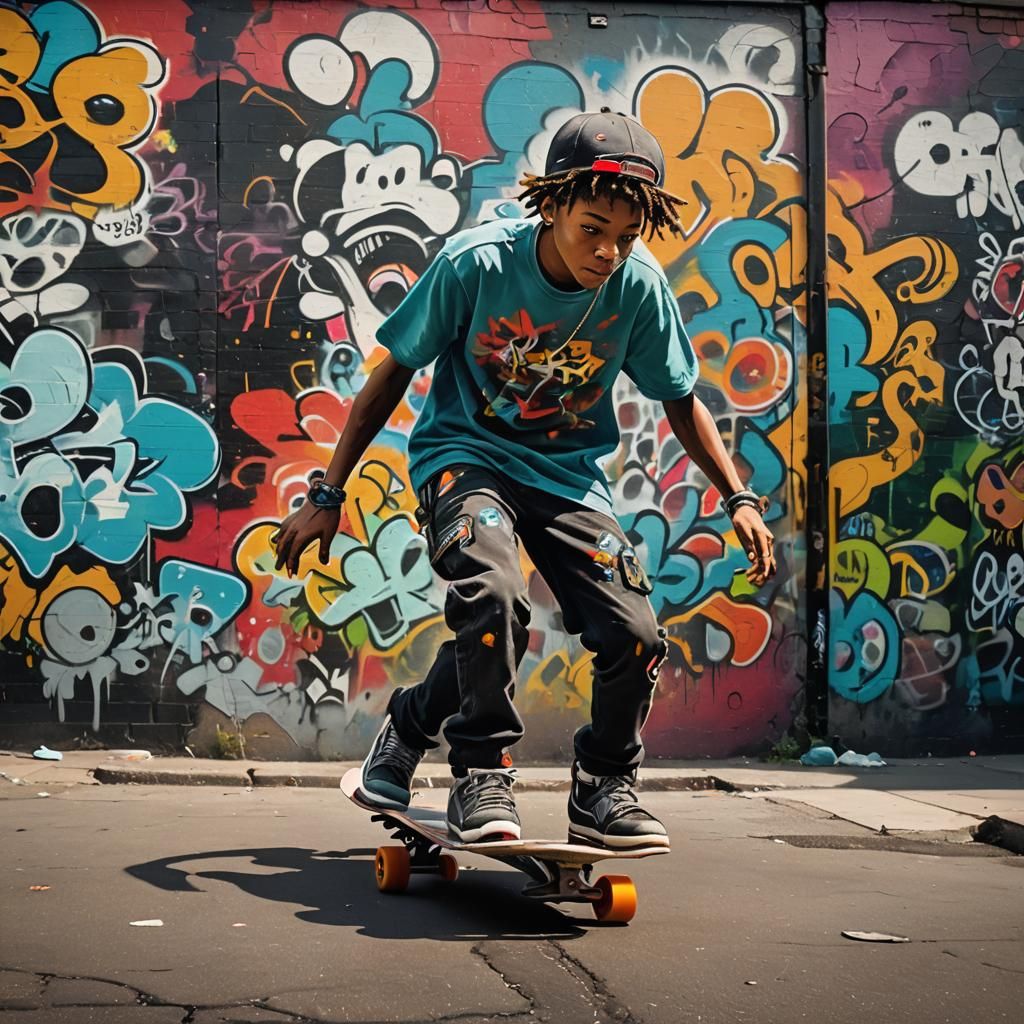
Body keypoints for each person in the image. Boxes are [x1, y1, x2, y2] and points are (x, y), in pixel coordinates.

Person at [273, 108, 776, 848]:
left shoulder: (637, 286)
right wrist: (328, 493)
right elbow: (393, 372)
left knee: (635, 633)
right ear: (552, 206)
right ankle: (481, 772)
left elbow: (680, 399)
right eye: (592, 229)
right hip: (465, 459)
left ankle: (599, 784)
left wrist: (739, 498)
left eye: (626, 236)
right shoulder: (476, 263)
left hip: (566, 479)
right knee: (494, 595)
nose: (608, 252)